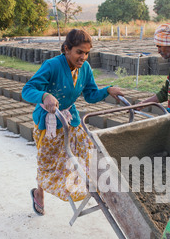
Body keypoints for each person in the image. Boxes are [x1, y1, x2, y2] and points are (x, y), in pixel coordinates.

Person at [22, 28, 123, 215]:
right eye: (79, 52)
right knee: (48, 163)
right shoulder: (52, 66)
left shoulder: (85, 68)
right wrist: (44, 95)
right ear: (67, 49)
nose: (83, 57)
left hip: (70, 118)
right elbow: (27, 89)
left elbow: (91, 95)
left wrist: (108, 90)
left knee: (86, 153)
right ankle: (39, 193)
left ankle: (89, 190)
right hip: (49, 121)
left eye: (86, 52)